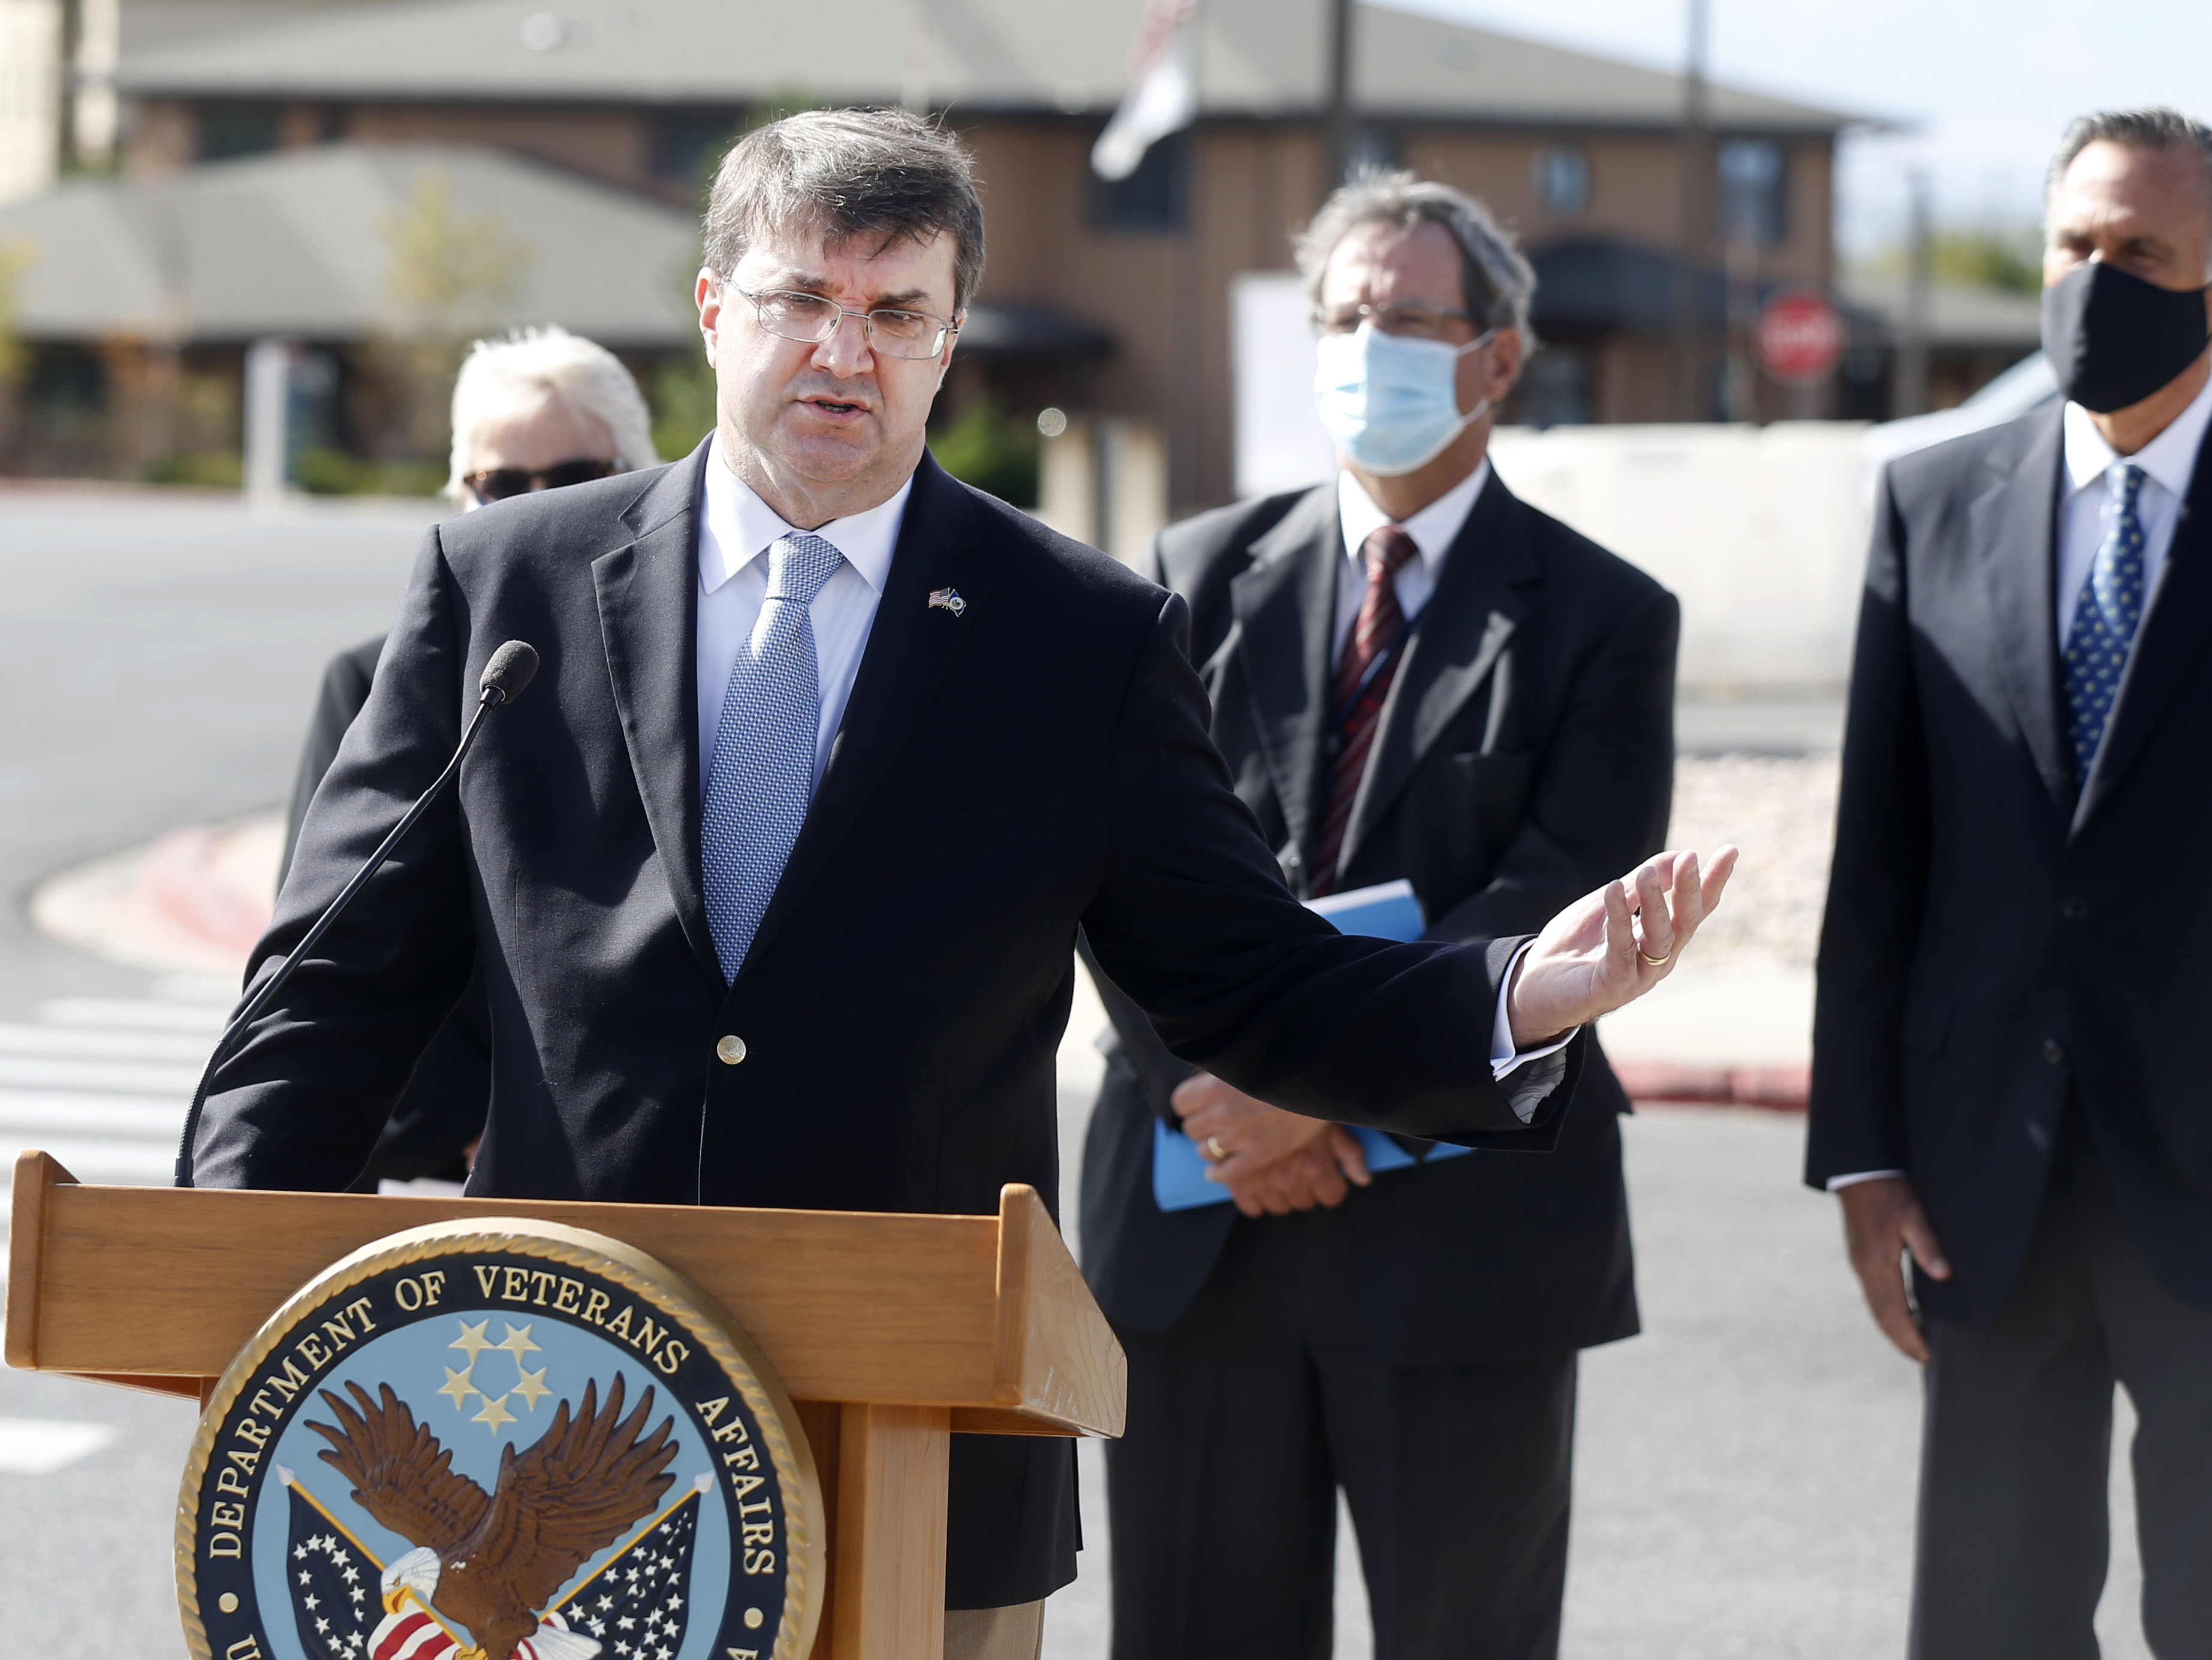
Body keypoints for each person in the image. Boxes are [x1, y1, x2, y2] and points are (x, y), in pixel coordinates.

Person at [183, 108, 1733, 1660]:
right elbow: (333, 983)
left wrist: (1516, 995)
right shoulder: (503, 587)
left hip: (928, 1441)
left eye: (895, 314)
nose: (842, 355)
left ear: (948, 344)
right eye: (802, 302)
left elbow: (1249, 978)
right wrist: (220, 1285)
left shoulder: (1080, 635)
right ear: (716, 312)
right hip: (554, 1426)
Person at [1808, 107, 2212, 1660]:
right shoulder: (1931, 501)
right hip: (1986, 1186)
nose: (2096, 279)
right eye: (2074, 246)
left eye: (2140, 253)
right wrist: (1865, 1150)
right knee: (1989, 1619)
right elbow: (1882, 858)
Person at [1078, 172, 1675, 1660]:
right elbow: (1115, 862)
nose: (1367, 344)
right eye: (1342, 315)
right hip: (1195, 1217)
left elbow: (1553, 909)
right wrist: (1227, 1093)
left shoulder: (1603, 618)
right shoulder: (1187, 577)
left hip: (1464, 1244)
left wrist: (1308, 1095)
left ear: (1496, 356)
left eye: (1407, 317)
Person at [276, 327, 655, 1191]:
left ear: (642, 478)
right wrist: (475, 1124)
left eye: (572, 479)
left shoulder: (696, 679)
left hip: (644, 1171)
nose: (534, 508)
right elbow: (337, 953)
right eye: (501, 485)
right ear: (460, 498)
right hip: (444, 1176)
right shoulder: (371, 683)